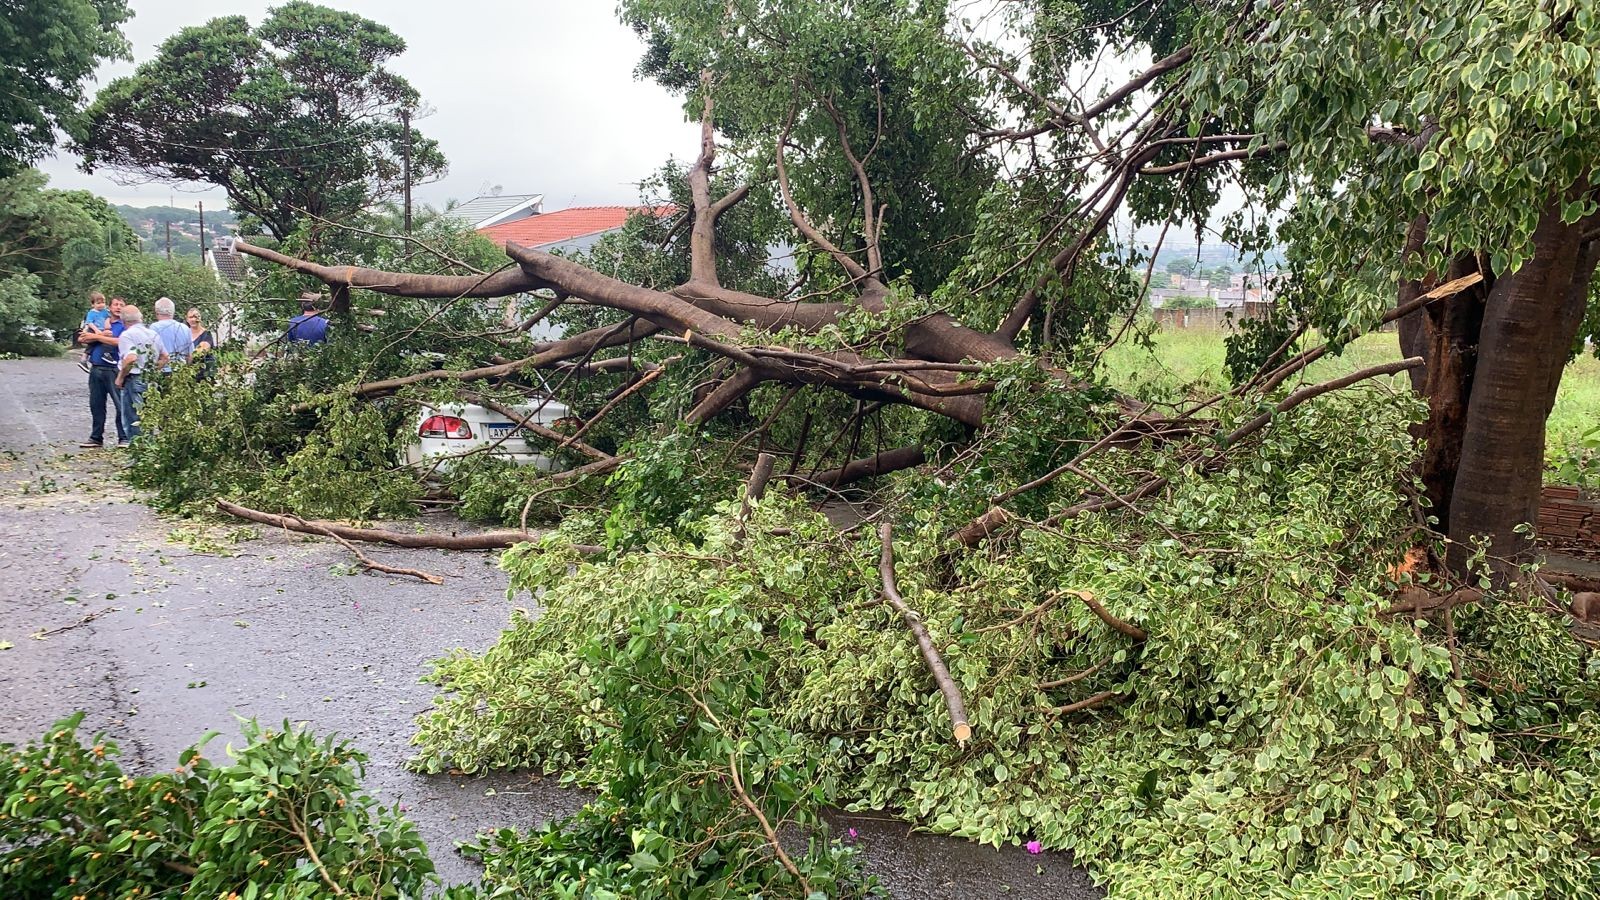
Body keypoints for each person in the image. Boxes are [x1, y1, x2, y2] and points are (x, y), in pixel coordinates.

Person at [78, 296, 127, 448]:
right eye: (115, 305)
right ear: (109, 308)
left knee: (120, 405)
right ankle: (96, 437)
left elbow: (120, 341)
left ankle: (123, 437)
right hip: (96, 367)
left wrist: (96, 337)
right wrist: (98, 336)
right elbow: (82, 339)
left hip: (115, 369)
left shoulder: (125, 325)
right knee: (96, 404)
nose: (118, 307)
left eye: (121, 305)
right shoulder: (100, 320)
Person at [115, 305, 166, 443]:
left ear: (123, 321)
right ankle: (148, 451)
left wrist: (120, 377)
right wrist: (154, 369)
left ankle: (137, 453)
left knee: (134, 418)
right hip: (150, 379)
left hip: (134, 378)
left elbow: (131, 358)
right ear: (140, 318)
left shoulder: (127, 335)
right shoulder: (153, 334)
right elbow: (165, 357)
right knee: (148, 417)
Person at [148, 297, 193, 372]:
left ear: (157, 312)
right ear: (173, 311)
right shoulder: (185, 328)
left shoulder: (154, 328)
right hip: (181, 372)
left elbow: (151, 354)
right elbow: (190, 355)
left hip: (161, 371)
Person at [187, 307, 217, 379]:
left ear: (200, 318)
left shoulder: (206, 334)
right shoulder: (184, 333)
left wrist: (186, 359)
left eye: (196, 317)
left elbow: (201, 351)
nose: (193, 319)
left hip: (205, 374)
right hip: (189, 374)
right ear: (187, 319)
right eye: (191, 317)